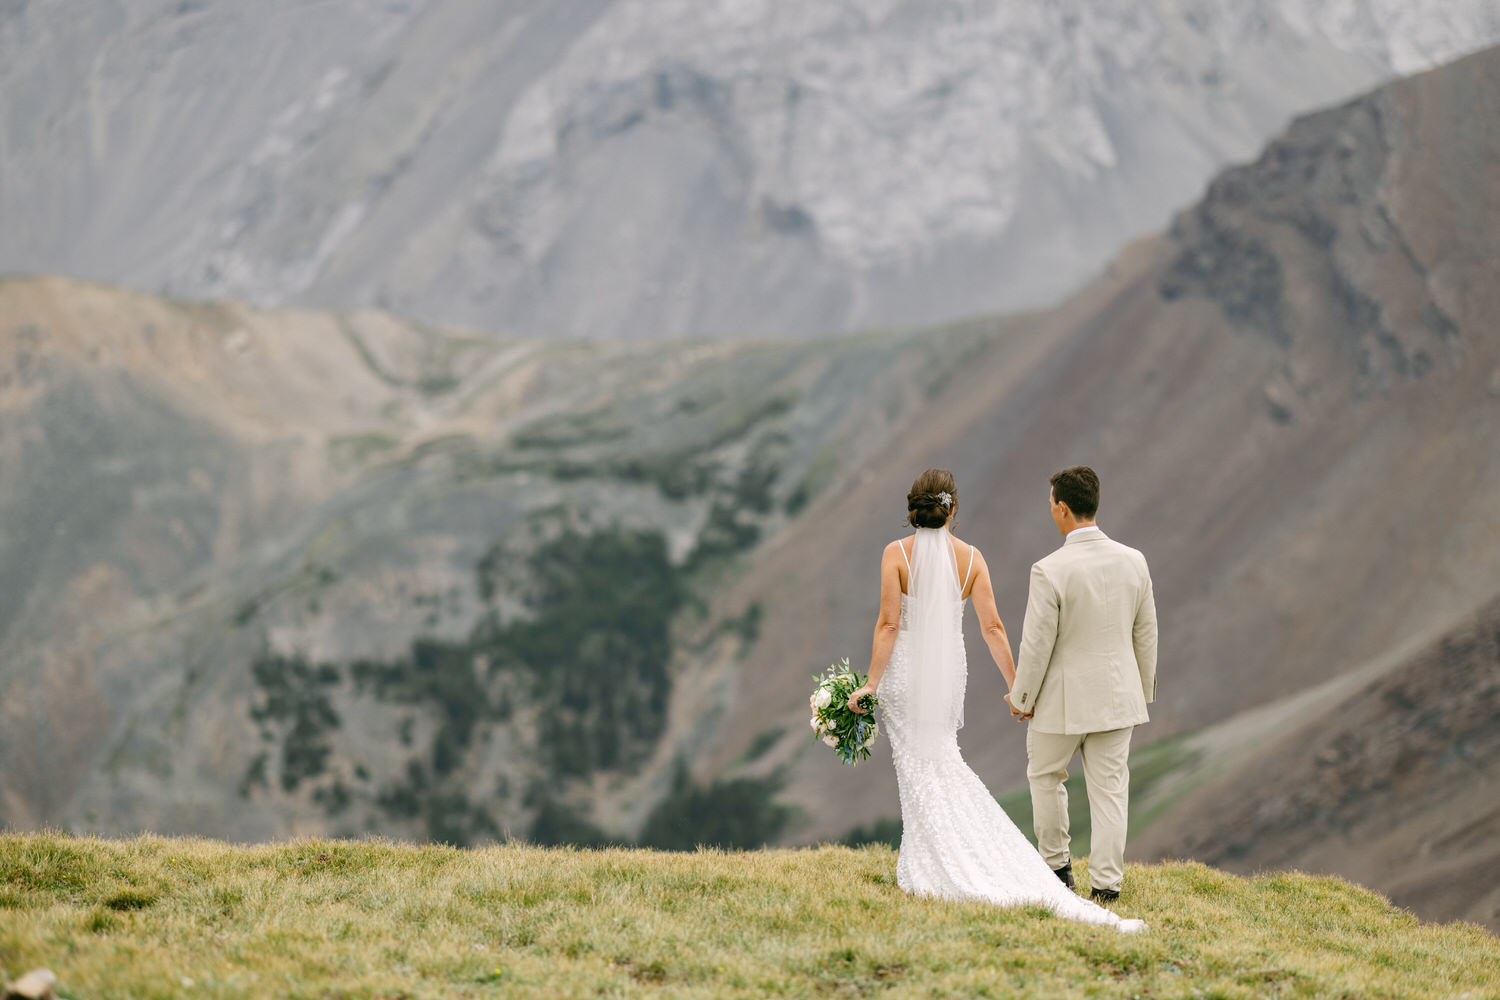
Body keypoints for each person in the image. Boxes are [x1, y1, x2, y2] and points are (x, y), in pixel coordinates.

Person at [848, 468, 1145, 931]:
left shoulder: (896, 554)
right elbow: (993, 628)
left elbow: (887, 624)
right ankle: (1098, 884)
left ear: (914, 508)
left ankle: (942, 857)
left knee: (920, 764)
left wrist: (870, 683)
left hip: (904, 675)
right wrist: (1016, 689)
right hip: (951, 677)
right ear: (953, 509)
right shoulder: (972, 560)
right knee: (944, 758)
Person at [1009, 465, 1158, 904]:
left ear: (1062, 508)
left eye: (1051, 506)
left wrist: (1022, 697)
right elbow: (1145, 633)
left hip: (1062, 702)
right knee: (1111, 790)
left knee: (1045, 776)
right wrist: (1140, 690)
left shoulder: (1049, 569)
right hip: (1118, 698)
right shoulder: (1135, 560)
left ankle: (1057, 872)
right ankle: (1107, 888)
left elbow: (1036, 645)